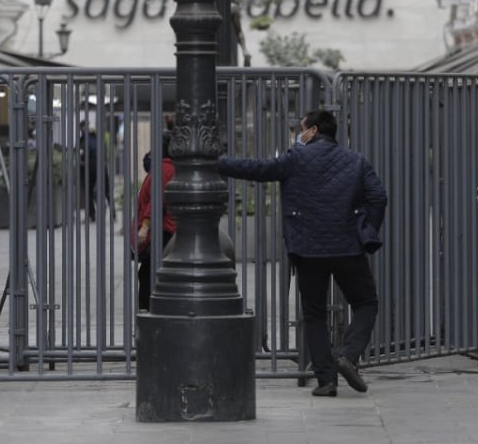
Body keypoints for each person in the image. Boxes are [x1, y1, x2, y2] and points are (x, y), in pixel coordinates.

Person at [218, 109, 387, 398]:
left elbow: (258, 170)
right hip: (348, 246)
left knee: (314, 314)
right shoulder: (356, 161)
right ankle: (348, 355)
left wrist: (218, 164)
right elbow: (378, 197)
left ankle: (326, 381)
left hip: (307, 250)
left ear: (313, 131)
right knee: (365, 303)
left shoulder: (296, 159)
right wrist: (367, 230)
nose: (299, 134)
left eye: (301, 129)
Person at [133, 132, 176, 313]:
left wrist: (145, 227)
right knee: (151, 273)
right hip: (165, 230)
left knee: (148, 274)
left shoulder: (163, 170)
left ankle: (148, 312)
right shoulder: (165, 167)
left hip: (162, 231)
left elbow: (157, 199)